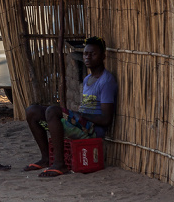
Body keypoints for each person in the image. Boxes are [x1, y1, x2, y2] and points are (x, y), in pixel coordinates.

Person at [24, 36, 117, 177]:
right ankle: (46, 159)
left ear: (103, 56)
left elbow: (106, 119)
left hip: (92, 130)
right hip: (82, 123)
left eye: (93, 54)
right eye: (86, 53)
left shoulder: (106, 81)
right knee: (32, 111)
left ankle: (60, 164)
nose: (87, 57)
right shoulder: (88, 79)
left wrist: (81, 115)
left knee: (53, 111)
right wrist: (78, 115)